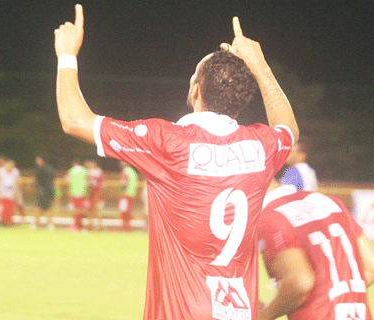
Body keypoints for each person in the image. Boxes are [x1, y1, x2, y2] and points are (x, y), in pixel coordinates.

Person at [54, 5, 299, 319]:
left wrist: (66, 55)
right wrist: (259, 65)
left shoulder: (168, 143)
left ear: (196, 90)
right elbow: (288, 130)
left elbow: (75, 121)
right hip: (239, 312)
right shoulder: (261, 146)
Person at [257, 178, 374, 320]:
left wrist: (263, 315)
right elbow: (373, 269)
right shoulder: (330, 202)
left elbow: (300, 283)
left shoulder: (269, 218)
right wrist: (334, 294)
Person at [33, 155, 57, 230]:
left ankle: (37, 223)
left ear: (41, 160)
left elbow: (35, 179)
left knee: (41, 206)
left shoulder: (40, 168)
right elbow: (54, 179)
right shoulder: (50, 168)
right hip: (50, 189)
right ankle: (47, 223)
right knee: (46, 206)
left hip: (42, 190)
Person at [65, 159, 89, 231]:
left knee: (75, 209)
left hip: (74, 191)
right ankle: (80, 224)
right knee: (81, 209)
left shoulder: (71, 170)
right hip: (82, 192)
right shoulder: (85, 170)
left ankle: (76, 225)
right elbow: (88, 181)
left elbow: (67, 180)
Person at [85, 159, 105, 230]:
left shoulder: (99, 172)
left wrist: (99, 194)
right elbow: (87, 183)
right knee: (90, 210)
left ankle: (100, 226)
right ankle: (90, 225)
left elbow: (102, 184)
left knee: (97, 210)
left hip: (97, 193)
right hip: (91, 193)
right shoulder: (88, 172)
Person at [118, 161, 138, 231]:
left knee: (124, 211)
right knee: (128, 211)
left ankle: (125, 228)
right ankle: (127, 227)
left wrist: (120, 190)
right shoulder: (133, 171)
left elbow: (124, 183)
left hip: (125, 194)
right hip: (132, 194)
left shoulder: (125, 171)